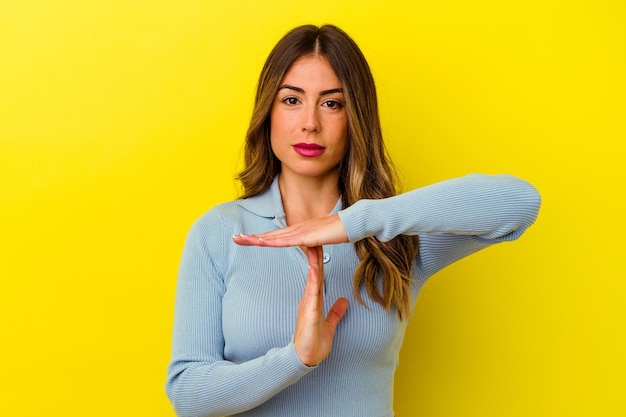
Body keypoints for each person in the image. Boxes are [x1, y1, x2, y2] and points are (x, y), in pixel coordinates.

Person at [165, 24, 541, 417]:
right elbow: (189, 396)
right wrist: (296, 359)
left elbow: (519, 204)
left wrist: (354, 222)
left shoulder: (394, 237)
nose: (310, 122)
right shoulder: (222, 231)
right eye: (292, 100)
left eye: (332, 104)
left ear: (356, 117)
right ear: (267, 113)